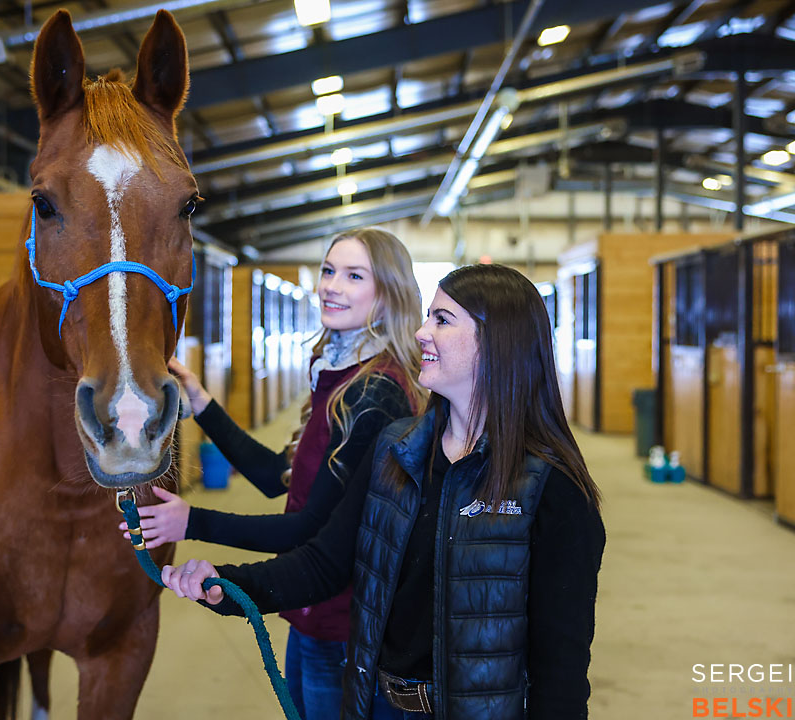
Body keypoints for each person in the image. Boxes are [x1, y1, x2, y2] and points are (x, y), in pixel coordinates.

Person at [160, 263, 606, 720]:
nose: (420, 333)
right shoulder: (396, 449)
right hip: (378, 705)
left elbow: (562, 665)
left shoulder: (553, 486)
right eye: (428, 316)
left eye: (442, 320)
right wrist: (229, 586)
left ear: (497, 343)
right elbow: (324, 564)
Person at [121, 228, 426, 720]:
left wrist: (193, 521)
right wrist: (203, 403)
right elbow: (279, 477)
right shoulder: (339, 374)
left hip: (342, 627)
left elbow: (310, 531)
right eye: (329, 271)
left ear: (388, 295)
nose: (332, 285)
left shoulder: (374, 396)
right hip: (312, 616)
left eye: (353, 276)